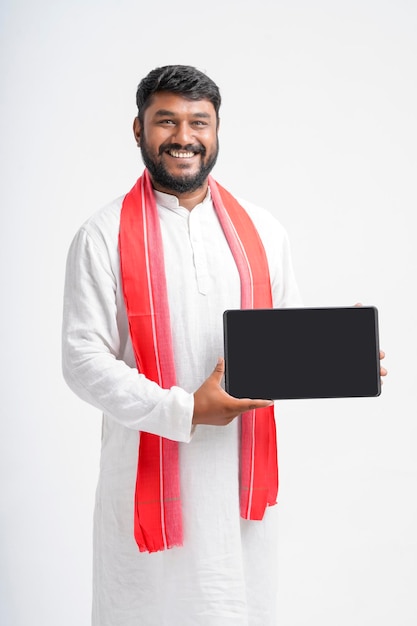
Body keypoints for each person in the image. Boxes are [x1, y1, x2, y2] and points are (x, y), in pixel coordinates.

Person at [62, 64, 387, 626]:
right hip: (148, 496)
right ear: (138, 130)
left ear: (216, 131)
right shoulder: (102, 235)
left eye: (199, 122)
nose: (183, 137)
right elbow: (82, 361)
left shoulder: (262, 230)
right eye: (166, 121)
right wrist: (184, 410)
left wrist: (338, 351)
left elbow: (282, 336)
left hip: (239, 495)